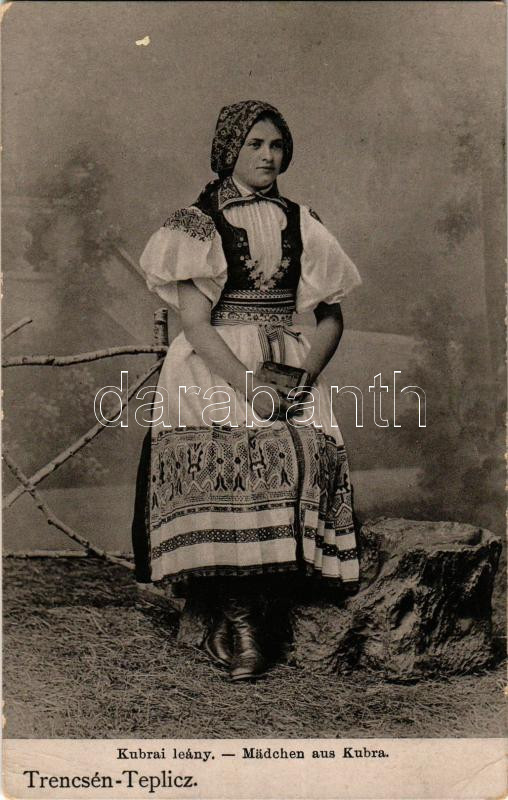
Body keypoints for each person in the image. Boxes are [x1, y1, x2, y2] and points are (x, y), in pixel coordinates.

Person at [136, 100, 362, 681]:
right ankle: (239, 624)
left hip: (287, 363)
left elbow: (331, 318)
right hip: (213, 364)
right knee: (232, 460)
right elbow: (195, 323)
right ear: (229, 150)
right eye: (255, 144)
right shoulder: (197, 222)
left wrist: (303, 380)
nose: (268, 156)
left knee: (301, 454)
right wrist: (248, 386)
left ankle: (249, 613)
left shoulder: (302, 220)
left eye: (276, 146)